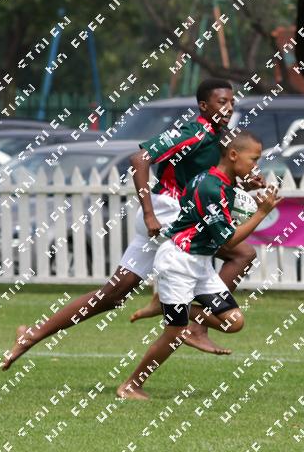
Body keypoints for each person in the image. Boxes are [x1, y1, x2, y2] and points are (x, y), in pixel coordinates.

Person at [3, 79, 261, 371]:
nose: (228, 108)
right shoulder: (193, 133)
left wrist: (244, 184)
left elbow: (207, 183)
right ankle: (195, 325)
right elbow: (139, 159)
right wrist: (149, 213)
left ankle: (31, 335)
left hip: (173, 218)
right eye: (221, 102)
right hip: (167, 214)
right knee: (241, 253)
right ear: (203, 106)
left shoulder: (220, 137)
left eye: (232, 102)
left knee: (114, 294)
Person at [117, 130, 281, 400]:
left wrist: (245, 194)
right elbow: (228, 241)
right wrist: (261, 213)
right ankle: (131, 385)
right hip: (178, 263)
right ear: (233, 155)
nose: (256, 166)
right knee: (175, 334)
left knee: (233, 322)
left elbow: (219, 207)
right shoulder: (210, 188)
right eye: (254, 159)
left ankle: (166, 306)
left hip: (200, 264)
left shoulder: (213, 182)